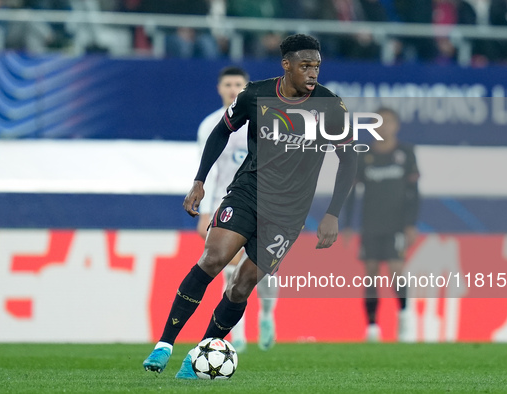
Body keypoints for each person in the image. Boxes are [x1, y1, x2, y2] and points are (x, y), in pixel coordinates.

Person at [142, 33, 357, 379]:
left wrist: (332, 213)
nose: (313, 73)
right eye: (305, 66)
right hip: (248, 192)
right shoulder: (255, 94)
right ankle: (164, 344)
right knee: (213, 259)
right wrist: (199, 181)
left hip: (289, 212)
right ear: (286, 65)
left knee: (242, 284)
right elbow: (220, 132)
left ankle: (200, 353)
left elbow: (349, 160)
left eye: (316, 66)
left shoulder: (330, 106)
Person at [196, 66, 279, 353]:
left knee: (265, 271)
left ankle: (267, 315)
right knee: (228, 270)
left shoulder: (261, 121)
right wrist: (206, 211)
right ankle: (236, 334)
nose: (233, 89)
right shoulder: (210, 126)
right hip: (228, 202)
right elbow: (209, 171)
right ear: (220, 88)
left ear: (246, 89)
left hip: (264, 202)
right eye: (228, 84)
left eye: (238, 84)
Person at [344, 107, 420, 342]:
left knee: (397, 271)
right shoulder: (363, 155)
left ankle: (404, 318)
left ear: (396, 125)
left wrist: (410, 224)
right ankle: (372, 326)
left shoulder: (406, 153)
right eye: (379, 122)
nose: (384, 126)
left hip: (396, 224)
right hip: (370, 224)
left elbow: (414, 192)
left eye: (388, 122)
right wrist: (347, 224)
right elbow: (352, 192)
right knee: (371, 273)